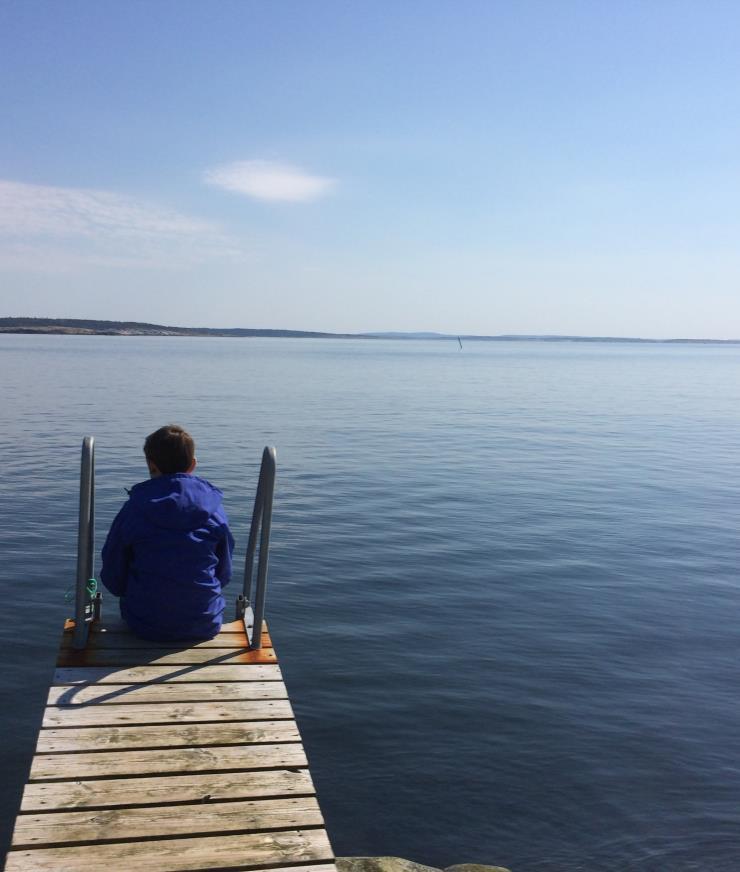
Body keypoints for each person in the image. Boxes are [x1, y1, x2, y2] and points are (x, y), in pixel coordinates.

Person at [100, 425, 235, 641]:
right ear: (193, 465)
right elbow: (224, 574)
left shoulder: (134, 510)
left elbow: (113, 577)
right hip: (204, 623)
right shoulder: (215, 511)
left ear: (151, 466)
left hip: (144, 624)